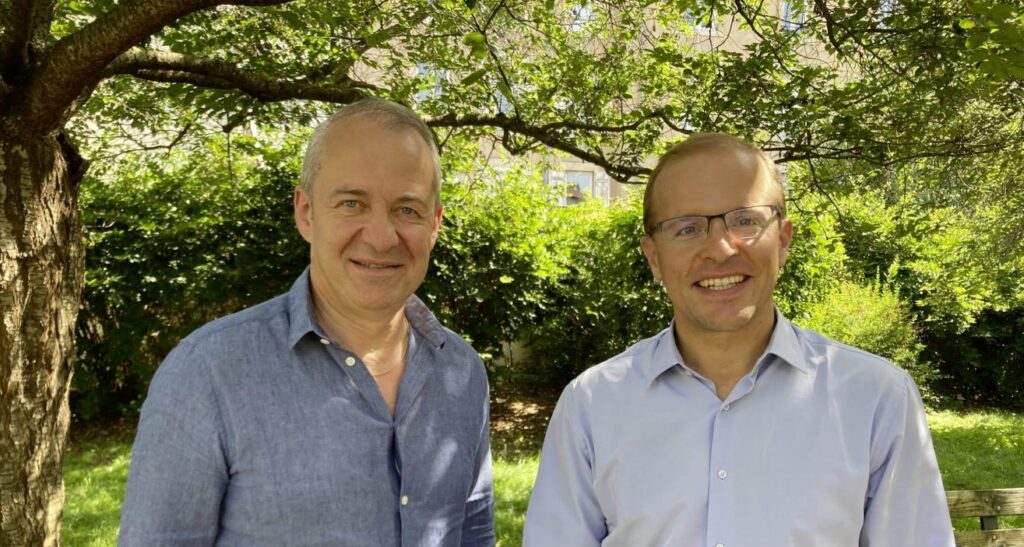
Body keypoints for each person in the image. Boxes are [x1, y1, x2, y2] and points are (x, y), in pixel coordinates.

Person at [523, 133, 954, 546]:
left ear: (783, 241)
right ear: (653, 257)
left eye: (745, 221)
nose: (721, 249)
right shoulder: (591, 406)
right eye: (687, 228)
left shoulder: (875, 399)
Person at [119, 98, 495, 546]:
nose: (381, 238)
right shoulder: (208, 374)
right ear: (306, 213)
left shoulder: (461, 372)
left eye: (407, 209)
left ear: (434, 225)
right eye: (352, 203)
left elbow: (474, 535)